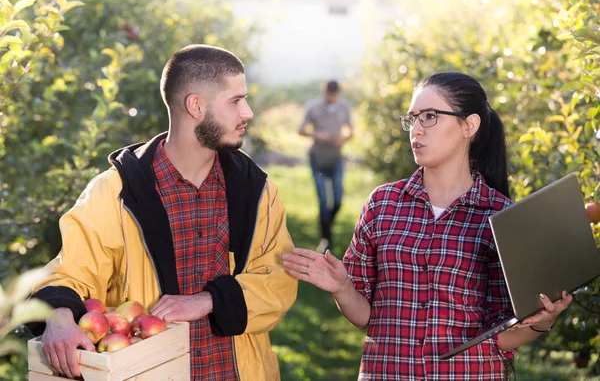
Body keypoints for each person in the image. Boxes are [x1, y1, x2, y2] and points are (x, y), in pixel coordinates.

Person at [28, 44, 298, 381]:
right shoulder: (115, 193)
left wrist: (209, 300)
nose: (248, 113)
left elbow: (278, 279)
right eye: (235, 101)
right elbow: (69, 272)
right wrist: (59, 317)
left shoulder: (256, 191)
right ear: (196, 105)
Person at [283, 72, 572, 380]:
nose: (415, 130)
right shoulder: (383, 205)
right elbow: (368, 317)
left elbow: (500, 338)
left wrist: (544, 321)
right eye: (412, 119)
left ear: (468, 126)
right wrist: (342, 288)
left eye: (430, 117)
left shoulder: (501, 216)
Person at [298, 80, 353, 252]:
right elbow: (301, 129)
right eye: (330, 95)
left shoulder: (344, 108)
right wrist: (317, 134)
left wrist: (342, 138)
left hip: (336, 158)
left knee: (337, 200)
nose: (332, 98)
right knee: (323, 201)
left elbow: (351, 132)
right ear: (324, 92)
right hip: (317, 159)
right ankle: (326, 239)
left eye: (335, 95)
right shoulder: (313, 108)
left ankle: (325, 222)